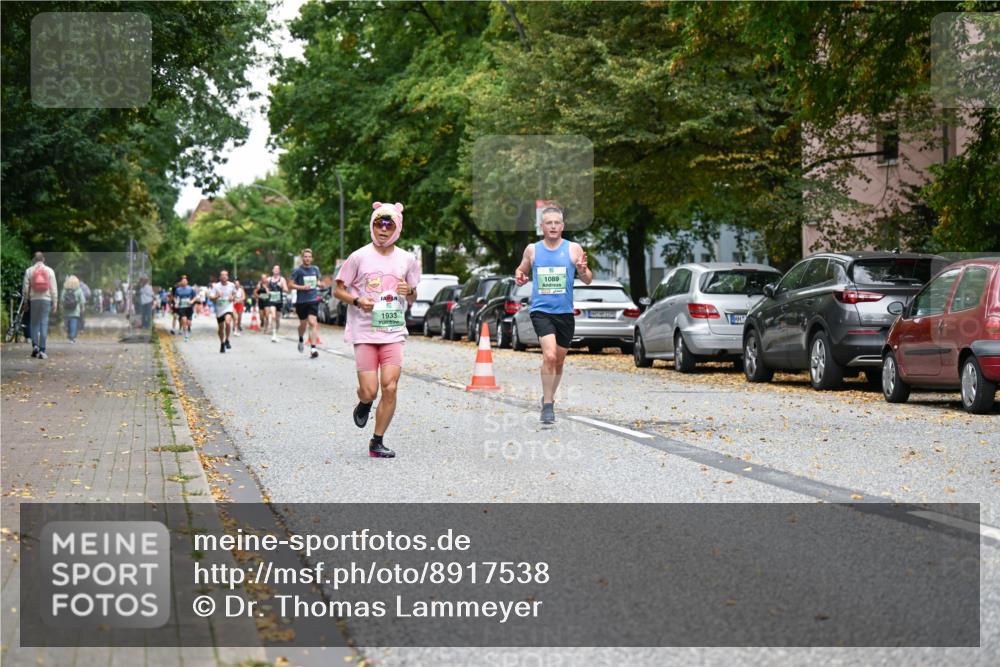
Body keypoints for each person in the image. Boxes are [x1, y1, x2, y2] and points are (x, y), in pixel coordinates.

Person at [334, 202, 420, 459]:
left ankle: (377, 441)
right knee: (370, 390)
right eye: (378, 224)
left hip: (393, 330)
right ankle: (364, 402)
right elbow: (338, 290)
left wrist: (409, 291)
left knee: (390, 387)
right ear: (372, 226)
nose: (383, 229)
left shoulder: (407, 259)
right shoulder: (358, 256)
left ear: (397, 228)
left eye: (388, 225)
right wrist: (357, 301)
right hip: (364, 331)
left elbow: (413, 296)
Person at [514, 203, 592, 424]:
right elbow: (521, 269)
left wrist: (582, 270)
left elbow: (588, 279)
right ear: (542, 226)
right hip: (541, 311)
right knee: (549, 356)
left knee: (558, 361)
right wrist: (520, 276)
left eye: (557, 223)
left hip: (565, 313)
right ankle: (548, 405)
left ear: (563, 226)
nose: (553, 226)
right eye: (549, 223)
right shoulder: (533, 249)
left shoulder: (573, 249)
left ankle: (549, 396)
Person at [22, 252, 58, 359]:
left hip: (34, 300)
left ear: (34, 259)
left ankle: (35, 346)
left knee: (34, 324)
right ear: (44, 259)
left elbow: (25, 288)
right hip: (46, 299)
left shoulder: (29, 270)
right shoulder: (50, 271)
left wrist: (26, 301)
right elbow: (53, 288)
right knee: (44, 323)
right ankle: (42, 350)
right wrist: (55, 302)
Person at [289, 249, 322, 358]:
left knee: (312, 323)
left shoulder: (315, 269)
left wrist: (320, 284)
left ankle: (313, 349)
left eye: (309, 257)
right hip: (301, 301)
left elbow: (317, 281)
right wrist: (302, 287)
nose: (307, 258)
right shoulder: (297, 271)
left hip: (313, 300)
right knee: (303, 325)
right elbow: (290, 285)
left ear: (312, 258)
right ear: (302, 258)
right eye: (305, 256)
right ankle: (300, 339)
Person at [210, 270, 238, 353]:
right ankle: (222, 343)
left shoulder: (231, 285)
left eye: (225, 275)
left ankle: (227, 340)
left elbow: (235, 293)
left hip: (228, 307)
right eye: (222, 275)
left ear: (227, 277)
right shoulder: (216, 286)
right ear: (220, 277)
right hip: (219, 309)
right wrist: (217, 296)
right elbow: (211, 297)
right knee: (221, 328)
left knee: (228, 322)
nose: (224, 276)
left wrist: (232, 297)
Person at [263, 266, 288, 343]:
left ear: (279, 271)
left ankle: (276, 333)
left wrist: (282, 286)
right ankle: (273, 334)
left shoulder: (282, 279)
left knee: (277, 319)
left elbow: (286, 290)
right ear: (272, 270)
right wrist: (267, 290)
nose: (276, 270)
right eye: (275, 269)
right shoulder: (269, 279)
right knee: (273, 316)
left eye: (277, 269)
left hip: (279, 301)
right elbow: (264, 285)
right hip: (272, 300)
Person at [62, 275, 85, 343]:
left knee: (68, 324)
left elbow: (62, 299)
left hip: (66, 310)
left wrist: (62, 306)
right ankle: (72, 338)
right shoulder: (79, 290)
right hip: (75, 311)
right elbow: (82, 300)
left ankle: (69, 336)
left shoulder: (64, 290)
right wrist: (82, 307)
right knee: (73, 323)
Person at [173, 275, 196, 342]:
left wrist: (191, 301)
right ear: (181, 282)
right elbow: (175, 297)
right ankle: (186, 335)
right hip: (182, 307)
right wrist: (176, 303)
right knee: (183, 320)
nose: (184, 282)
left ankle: (188, 330)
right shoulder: (178, 289)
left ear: (187, 282)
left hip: (189, 307)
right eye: (183, 281)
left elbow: (195, 297)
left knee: (189, 323)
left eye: (185, 281)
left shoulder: (191, 289)